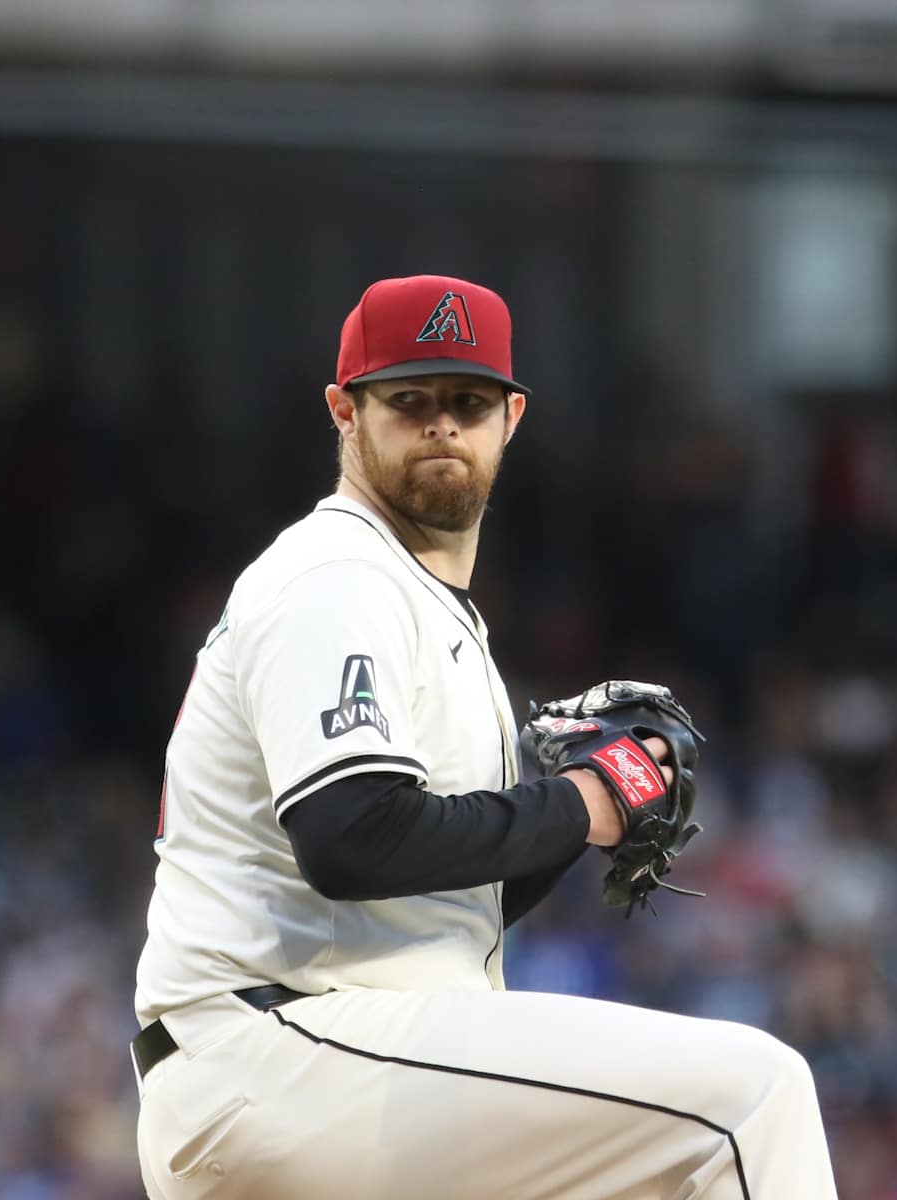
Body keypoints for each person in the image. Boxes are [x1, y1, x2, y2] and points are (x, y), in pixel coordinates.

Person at [132, 274, 837, 1199]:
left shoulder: (422, 606)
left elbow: (438, 901)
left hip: (340, 1071)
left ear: (511, 418)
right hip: (282, 1052)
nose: (441, 426)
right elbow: (351, 840)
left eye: (466, 402)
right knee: (752, 1101)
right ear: (344, 412)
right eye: (408, 400)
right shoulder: (337, 574)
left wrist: (588, 813)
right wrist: (585, 799)